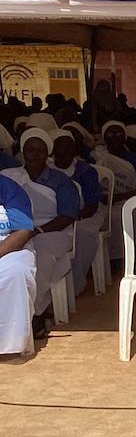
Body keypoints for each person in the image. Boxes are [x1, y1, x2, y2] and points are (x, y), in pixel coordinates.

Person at [2, 129, 78, 339]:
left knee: (41, 257)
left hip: (52, 231)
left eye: (40, 150)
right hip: (14, 230)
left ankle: (35, 313)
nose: (34, 155)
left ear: (48, 153)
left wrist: (38, 230)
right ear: (23, 152)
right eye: (30, 150)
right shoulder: (10, 177)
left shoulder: (60, 180)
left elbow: (68, 215)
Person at [49, 130, 103, 297]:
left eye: (69, 147)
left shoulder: (86, 171)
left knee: (82, 233)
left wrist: (72, 218)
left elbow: (92, 204)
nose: (66, 151)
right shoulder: (46, 171)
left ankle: (76, 283)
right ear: (53, 150)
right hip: (56, 215)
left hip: (86, 214)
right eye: (61, 147)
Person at [0, 174, 37, 355]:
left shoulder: (9, 188)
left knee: (16, 272)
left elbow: (23, 231)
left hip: (9, 247)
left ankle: (9, 343)